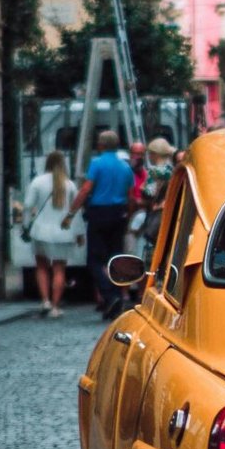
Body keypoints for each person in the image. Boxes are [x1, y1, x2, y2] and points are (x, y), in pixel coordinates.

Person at [66, 129, 135, 321]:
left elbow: (87, 188)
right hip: (119, 213)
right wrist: (127, 216)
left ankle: (110, 294)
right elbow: (131, 196)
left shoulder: (97, 163)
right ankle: (116, 297)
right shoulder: (125, 167)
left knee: (94, 259)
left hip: (99, 213)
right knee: (115, 258)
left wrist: (71, 211)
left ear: (101, 145)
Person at [18, 148, 73, 315]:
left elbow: (27, 206)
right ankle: (56, 306)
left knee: (41, 266)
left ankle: (45, 301)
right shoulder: (69, 184)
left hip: (40, 231)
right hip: (62, 232)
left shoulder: (37, 182)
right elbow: (74, 210)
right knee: (59, 269)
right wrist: (79, 234)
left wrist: (26, 225)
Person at [138, 136, 177, 254]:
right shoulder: (172, 169)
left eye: (150, 154)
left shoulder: (155, 171)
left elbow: (149, 193)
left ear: (155, 154)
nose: (149, 157)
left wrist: (142, 187)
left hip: (157, 212)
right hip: (170, 210)